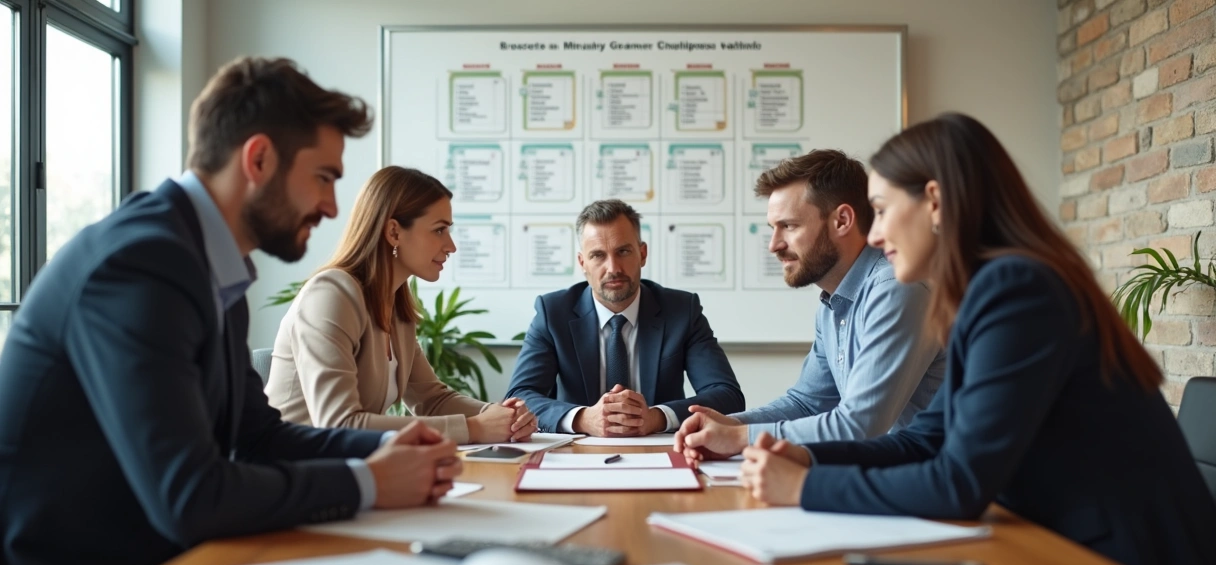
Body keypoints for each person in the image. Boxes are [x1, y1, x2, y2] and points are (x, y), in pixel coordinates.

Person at [0, 57, 463, 565]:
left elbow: (259, 436)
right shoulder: (142, 263)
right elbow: (189, 495)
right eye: (324, 177)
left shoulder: (214, 265)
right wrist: (369, 482)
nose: (330, 206)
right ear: (259, 159)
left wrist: (388, 447)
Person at [738, 113, 1216, 565]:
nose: (875, 236)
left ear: (936, 203)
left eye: (880, 211)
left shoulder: (1017, 289)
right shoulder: (985, 291)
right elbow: (927, 438)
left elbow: (959, 483)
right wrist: (811, 456)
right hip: (1065, 543)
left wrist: (807, 487)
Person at [674, 150, 945, 463]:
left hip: (936, 491)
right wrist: (730, 424)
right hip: (890, 478)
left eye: (788, 226)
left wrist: (738, 439)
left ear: (842, 220)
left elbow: (860, 426)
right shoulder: (833, 302)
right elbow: (807, 403)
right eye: (772, 228)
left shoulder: (896, 289)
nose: (774, 245)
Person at [265, 166, 537, 445]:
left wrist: (497, 415)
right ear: (394, 232)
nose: (451, 246)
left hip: (350, 467)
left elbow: (432, 399)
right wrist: (474, 428)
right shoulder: (331, 295)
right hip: (293, 471)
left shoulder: (396, 307)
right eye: (439, 229)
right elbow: (339, 423)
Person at [505, 199, 744, 436]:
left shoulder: (682, 310)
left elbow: (727, 395)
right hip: (575, 453)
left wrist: (657, 417)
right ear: (582, 263)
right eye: (598, 255)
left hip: (660, 451)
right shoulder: (553, 312)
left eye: (623, 251)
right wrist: (582, 419)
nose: (613, 268)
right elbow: (520, 397)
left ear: (642, 254)